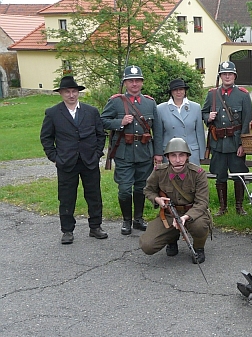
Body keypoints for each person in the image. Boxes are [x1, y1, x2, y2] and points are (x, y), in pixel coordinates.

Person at [40, 75, 107, 244]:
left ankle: (95, 227)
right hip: (66, 162)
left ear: (78, 92)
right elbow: (46, 138)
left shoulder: (91, 111)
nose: (71, 95)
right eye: (67, 92)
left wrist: (97, 153)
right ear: (61, 93)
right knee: (66, 197)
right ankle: (67, 230)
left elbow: (100, 134)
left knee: (94, 195)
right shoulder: (53, 113)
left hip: (89, 160)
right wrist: (55, 157)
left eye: (74, 91)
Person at [101, 65, 163, 235]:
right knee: (124, 189)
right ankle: (126, 220)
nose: (134, 84)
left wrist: (158, 153)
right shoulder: (116, 102)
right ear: (125, 83)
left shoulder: (150, 103)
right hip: (124, 153)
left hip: (144, 152)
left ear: (142, 82)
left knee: (142, 187)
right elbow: (102, 120)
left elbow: (157, 130)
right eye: (130, 81)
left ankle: (138, 219)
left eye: (137, 80)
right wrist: (119, 122)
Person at [139, 138, 212, 264]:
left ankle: (198, 248)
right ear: (167, 157)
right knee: (147, 245)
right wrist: (157, 199)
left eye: (181, 155)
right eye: (173, 155)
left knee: (200, 226)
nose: (178, 160)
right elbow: (148, 190)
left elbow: (202, 202)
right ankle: (171, 238)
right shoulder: (159, 172)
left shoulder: (198, 174)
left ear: (187, 156)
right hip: (169, 214)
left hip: (192, 213)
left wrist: (185, 217)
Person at [202, 61, 252, 216]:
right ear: (220, 76)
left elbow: (247, 121)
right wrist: (208, 117)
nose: (227, 76)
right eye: (224, 74)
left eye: (230, 74)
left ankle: (239, 207)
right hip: (218, 143)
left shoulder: (243, 95)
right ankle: (222, 208)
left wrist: (243, 144)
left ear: (235, 76)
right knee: (220, 175)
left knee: (238, 175)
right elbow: (203, 113)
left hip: (235, 142)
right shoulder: (212, 94)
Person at [157, 78, 206, 165]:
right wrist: (159, 153)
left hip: (191, 153)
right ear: (171, 92)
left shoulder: (196, 107)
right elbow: (159, 135)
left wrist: (202, 154)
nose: (178, 92)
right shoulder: (160, 109)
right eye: (175, 90)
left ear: (185, 91)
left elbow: (200, 133)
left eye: (181, 89)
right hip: (170, 153)